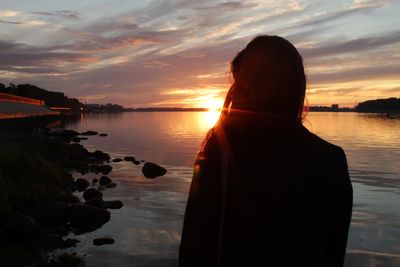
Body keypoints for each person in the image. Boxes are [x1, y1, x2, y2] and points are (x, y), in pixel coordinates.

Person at [179, 35, 353, 267]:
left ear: (242, 88)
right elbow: (334, 252)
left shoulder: (218, 156)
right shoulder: (330, 160)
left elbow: (193, 249)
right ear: (296, 87)